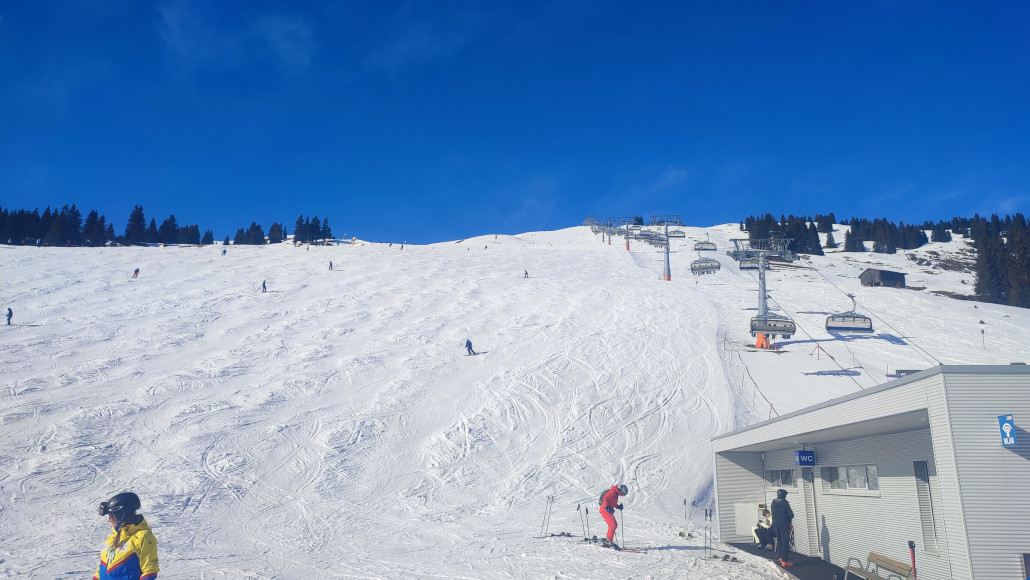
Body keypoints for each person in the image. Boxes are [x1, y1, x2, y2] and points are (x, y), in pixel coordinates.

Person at [94, 492, 159, 580]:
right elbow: (100, 570)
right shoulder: (112, 538)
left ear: (121, 515)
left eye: (111, 516)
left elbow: (149, 571)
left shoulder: (143, 537)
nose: (109, 520)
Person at [598, 484, 628, 548]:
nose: (622, 495)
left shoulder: (616, 494)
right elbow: (605, 498)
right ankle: (608, 542)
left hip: (609, 510)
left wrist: (618, 506)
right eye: (623, 494)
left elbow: (612, 503)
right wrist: (606, 506)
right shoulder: (612, 492)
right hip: (605, 510)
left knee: (615, 525)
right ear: (621, 491)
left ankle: (608, 540)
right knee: (612, 525)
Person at [770, 488, 794, 567]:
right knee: (785, 542)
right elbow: (790, 515)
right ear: (783, 495)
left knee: (779, 539)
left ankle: (780, 557)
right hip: (783, 525)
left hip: (775, 524)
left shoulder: (773, 502)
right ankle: (785, 560)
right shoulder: (785, 503)